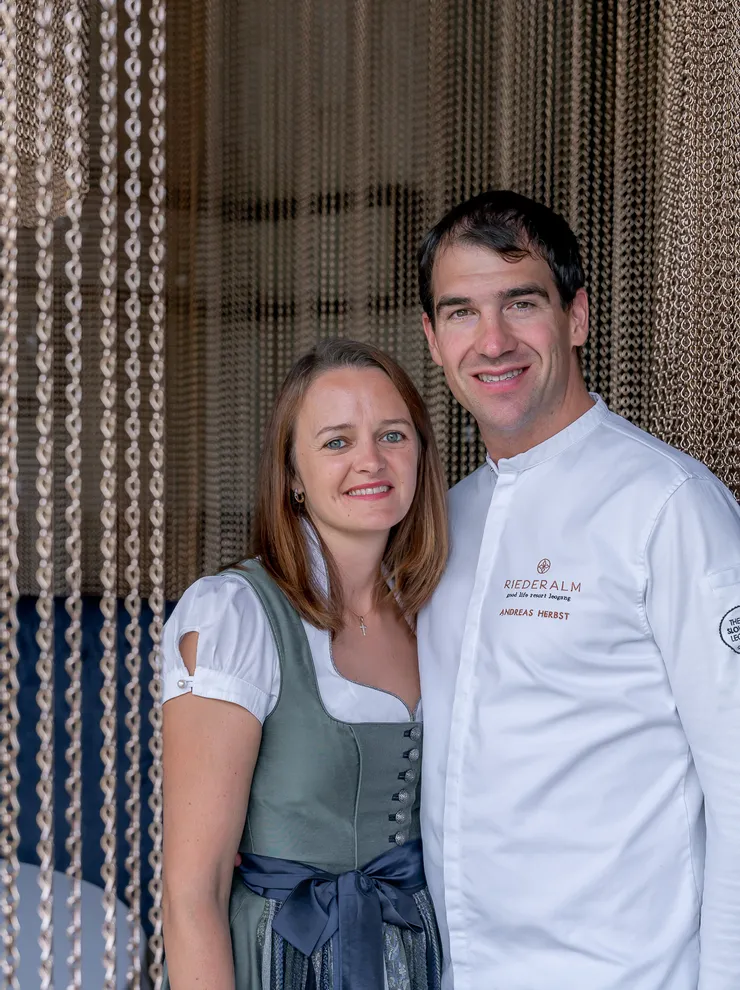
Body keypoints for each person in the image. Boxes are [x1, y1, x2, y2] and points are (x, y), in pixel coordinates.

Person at [416, 189, 740, 990]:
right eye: (460, 313)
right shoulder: (440, 525)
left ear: (577, 315)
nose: (492, 342)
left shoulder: (667, 506)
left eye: (520, 303)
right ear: (431, 338)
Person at [161, 338, 448, 990]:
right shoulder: (235, 615)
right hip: (288, 959)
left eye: (393, 434)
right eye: (337, 442)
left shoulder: (435, 609)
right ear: (292, 474)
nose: (371, 460)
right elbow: (192, 892)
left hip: (417, 958)